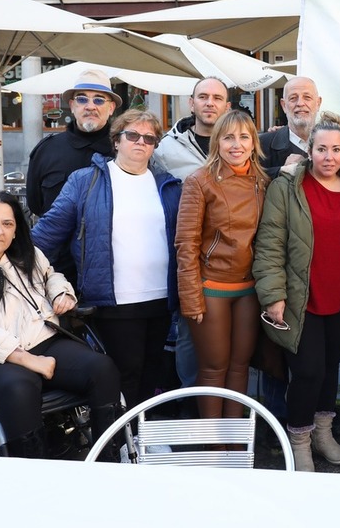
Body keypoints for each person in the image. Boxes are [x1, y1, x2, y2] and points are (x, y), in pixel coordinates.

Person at [0, 191, 122, 459]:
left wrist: (61, 292)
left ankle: (108, 460)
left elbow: (51, 275)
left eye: (7, 224)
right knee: (20, 386)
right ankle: (30, 476)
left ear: (16, 230)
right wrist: (24, 359)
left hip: (39, 339)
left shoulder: (25, 255)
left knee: (102, 367)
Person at [31, 109, 181, 409]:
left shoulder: (167, 185)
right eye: (133, 135)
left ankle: (140, 436)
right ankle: (119, 443)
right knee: (124, 374)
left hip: (161, 300)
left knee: (152, 373)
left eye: (149, 138)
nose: (141, 142)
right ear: (116, 140)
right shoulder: (85, 181)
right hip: (113, 301)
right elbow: (46, 235)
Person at [253, 120, 340, 472]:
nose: (329, 156)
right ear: (309, 151)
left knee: (330, 369)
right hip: (298, 299)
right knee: (307, 372)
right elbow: (269, 245)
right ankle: (300, 441)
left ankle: (323, 433)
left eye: (336, 149)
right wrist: (273, 295)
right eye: (321, 149)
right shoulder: (287, 186)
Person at [174, 110, 268, 423]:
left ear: (254, 142)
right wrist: (190, 296)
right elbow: (185, 243)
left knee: (241, 367)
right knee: (214, 368)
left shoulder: (261, 182)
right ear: (218, 141)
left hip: (249, 289)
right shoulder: (199, 181)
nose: (236, 144)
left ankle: (235, 441)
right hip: (211, 288)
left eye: (244, 137)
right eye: (228, 137)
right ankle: (214, 445)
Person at [153, 77, 232, 391]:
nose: (210, 103)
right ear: (191, 103)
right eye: (203, 96)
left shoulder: (242, 143)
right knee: (189, 333)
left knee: (233, 341)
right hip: (188, 257)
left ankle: (230, 410)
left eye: (217, 97)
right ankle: (192, 402)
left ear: (227, 105)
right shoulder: (166, 150)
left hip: (235, 260)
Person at [26, 70, 121, 285]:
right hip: (58, 271)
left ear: (111, 107)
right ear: (72, 105)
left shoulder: (124, 151)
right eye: (82, 99)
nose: (90, 106)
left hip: (114, 272)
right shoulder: (47, 150)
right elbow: (36, 204)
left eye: (99, 100)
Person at [259, 76, 340, 178]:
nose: (300, 103)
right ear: (284, 105)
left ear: (318, 103)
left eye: (307, 97)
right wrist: (281, 171)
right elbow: (250, 181)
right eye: (293, 98)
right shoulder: (262, 146)